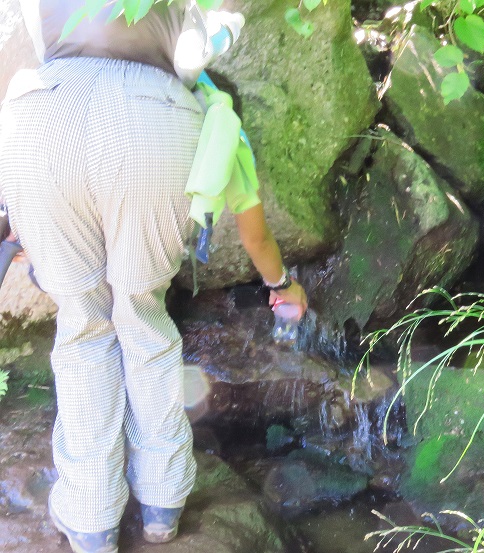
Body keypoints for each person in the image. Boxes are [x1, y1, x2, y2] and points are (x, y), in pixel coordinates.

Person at [0, 2, 307, 552]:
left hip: (42, 115)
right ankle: (162, 504)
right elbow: (204, 41)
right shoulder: (215, 113)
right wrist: (284, 287)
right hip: (153, 119)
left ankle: (92, 519)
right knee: (142, 318)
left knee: (84, 326)